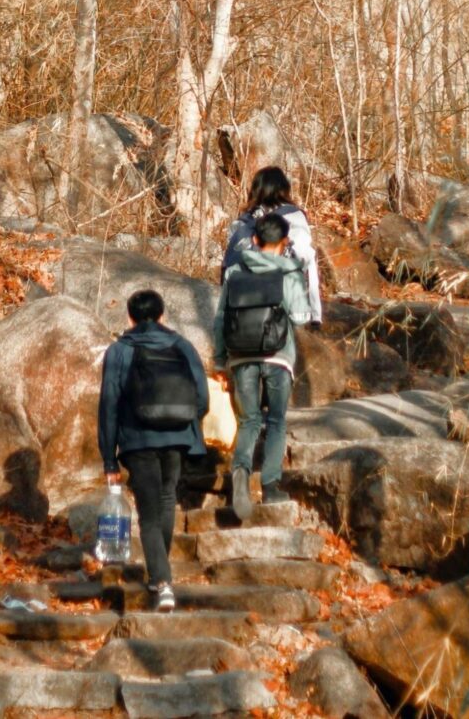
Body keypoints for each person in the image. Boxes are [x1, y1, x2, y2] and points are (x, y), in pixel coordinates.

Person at [97, 289, 209, 613]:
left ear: (129, 317)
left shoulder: (119, 350)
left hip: (137, 440)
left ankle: (163, 584)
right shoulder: (182, 346)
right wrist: (186, 423)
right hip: (176, 437)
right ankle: (158, 575)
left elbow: (109, 405)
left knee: (148, 513)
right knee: (166, 500)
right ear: (162, 316)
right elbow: (201, 397)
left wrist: (109, 456)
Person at [213, 212, 311, 518]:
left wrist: (219, 360)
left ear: (254, 240)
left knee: (249, 421)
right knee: (276, 421)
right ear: (284, 242)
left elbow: (220, 318)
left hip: (241, 356)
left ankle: (240, 476)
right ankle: (270, 487)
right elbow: (300, 317)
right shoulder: (289, 272)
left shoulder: (235, 271)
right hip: (278, 357)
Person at [222, 165, 321, 329]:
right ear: (284, 189)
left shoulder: (241, 222)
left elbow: (228, 262)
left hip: (242, 304)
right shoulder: (294, 215)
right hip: (283, 303)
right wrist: (315, 315)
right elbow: (305, 257)